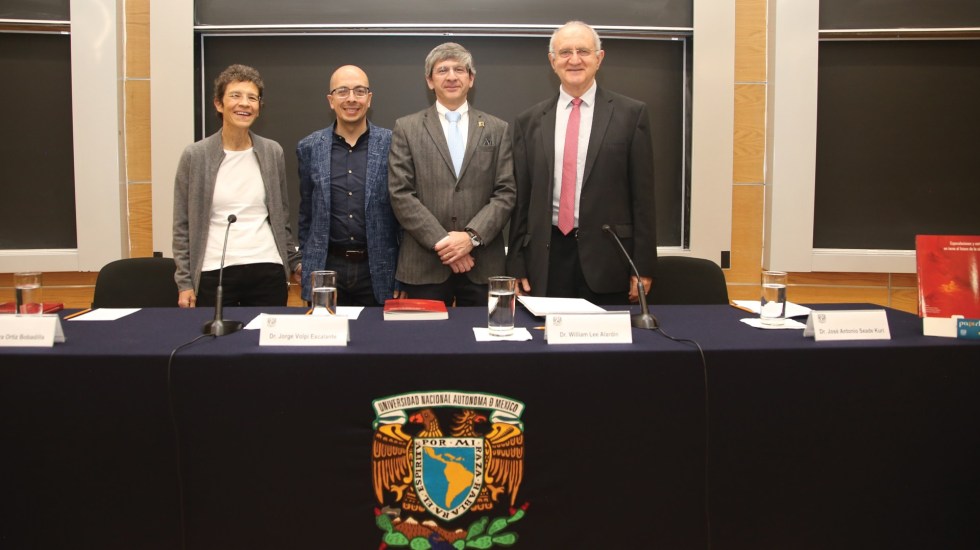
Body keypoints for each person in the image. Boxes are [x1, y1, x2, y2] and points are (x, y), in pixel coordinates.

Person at [506, 21, 657, 305]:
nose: (574, 60)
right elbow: (520, 200)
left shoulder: (631, 115)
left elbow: (643, 199)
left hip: (610, 260)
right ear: (552, 62)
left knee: (605, 348)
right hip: (546, 259)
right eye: (565, 52)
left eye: (583, 51)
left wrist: (643, 267)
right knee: (546, 346)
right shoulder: (529, 121)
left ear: (599, 58)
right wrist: (515, 261)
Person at [388, 42, 516, 306]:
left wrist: (471, 238)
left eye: (460, 69)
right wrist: (447, 244)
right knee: (425, 345)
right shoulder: (406, 128)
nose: (451, 76)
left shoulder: (497, 128)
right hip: (424, 267)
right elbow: (401, 194)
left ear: (471, 79)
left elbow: (505, 193)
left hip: (483, 267)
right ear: (429, 80)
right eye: (442, 70)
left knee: (487, 343)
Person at [173, 64, 300, 308]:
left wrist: (292, 261)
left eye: (252, 98)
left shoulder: (272, 152)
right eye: (235, 96)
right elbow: (182, 224)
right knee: (216, 345)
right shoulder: (195, 156)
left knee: (266, 344)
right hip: (214, 271)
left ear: (259, 108)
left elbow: (281, 217)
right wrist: (185, 282)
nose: (245, 103)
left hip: (268, 269)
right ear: (219, 104)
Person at [296, 65, 401, 306]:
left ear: (369, 98)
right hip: (326, 268)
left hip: (379, 269)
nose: (351, 98)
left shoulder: (394, 144)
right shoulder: (309, 147)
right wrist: (303, 260)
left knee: (380, 343)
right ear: (331, 100)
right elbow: (306, 214)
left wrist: (403, 275)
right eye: (342, 91)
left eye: (359, 91)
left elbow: (403, 215)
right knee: (325, 342)